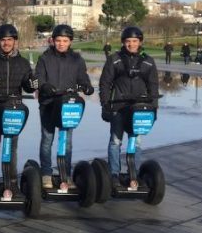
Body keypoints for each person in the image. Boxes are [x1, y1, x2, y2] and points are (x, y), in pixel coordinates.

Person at [0, 23, 38, 193]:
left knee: (12, 146)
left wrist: (32, 84)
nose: (6, 43)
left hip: (14, 109)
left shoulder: (23, 63)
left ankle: (12, 182)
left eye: (9, 40)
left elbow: (28, 87)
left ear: (15, 41)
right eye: (3, 40)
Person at [34, 24, 94, 189]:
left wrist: (87, 86)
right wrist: (43, 86)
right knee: (47, 139)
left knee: (66, 141)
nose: (61, 44)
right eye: (58, 40)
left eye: (65, 41)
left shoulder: (77, 59)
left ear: (70, 42)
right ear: (53, 40)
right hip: (48, 103)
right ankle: (46, 173)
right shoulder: (45, 58)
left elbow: (82, 77)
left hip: (68, 105)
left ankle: (65, 174)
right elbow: (37, 77)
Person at [99, 26, 159, 188]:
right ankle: (114, 174)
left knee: (136, 142)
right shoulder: (114, 59)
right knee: (115, 141)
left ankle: (134, 174)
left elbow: (153, 87)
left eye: (134, 41)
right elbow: (105, 83)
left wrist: (154, 109)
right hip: (118, 107)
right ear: (123, 42)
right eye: (128, 41)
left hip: (139, 108)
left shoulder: (148, 61)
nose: (131, 44)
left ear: (140, 42)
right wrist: (105, 105)